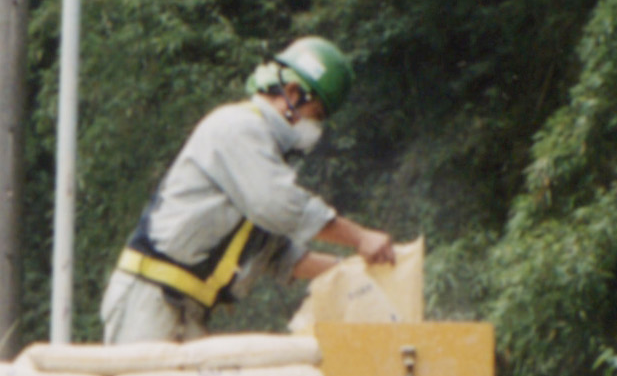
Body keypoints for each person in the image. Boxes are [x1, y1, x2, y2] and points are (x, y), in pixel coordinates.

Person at [101, 36, 396, 345]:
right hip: (150, 298)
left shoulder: (264, 155)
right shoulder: (239, 127)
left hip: (186, 308)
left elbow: (281, 256)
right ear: (293, 93)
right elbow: (279, 206)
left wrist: (348, 271)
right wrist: (360, 237)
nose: (316, 128)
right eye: (317, 114)